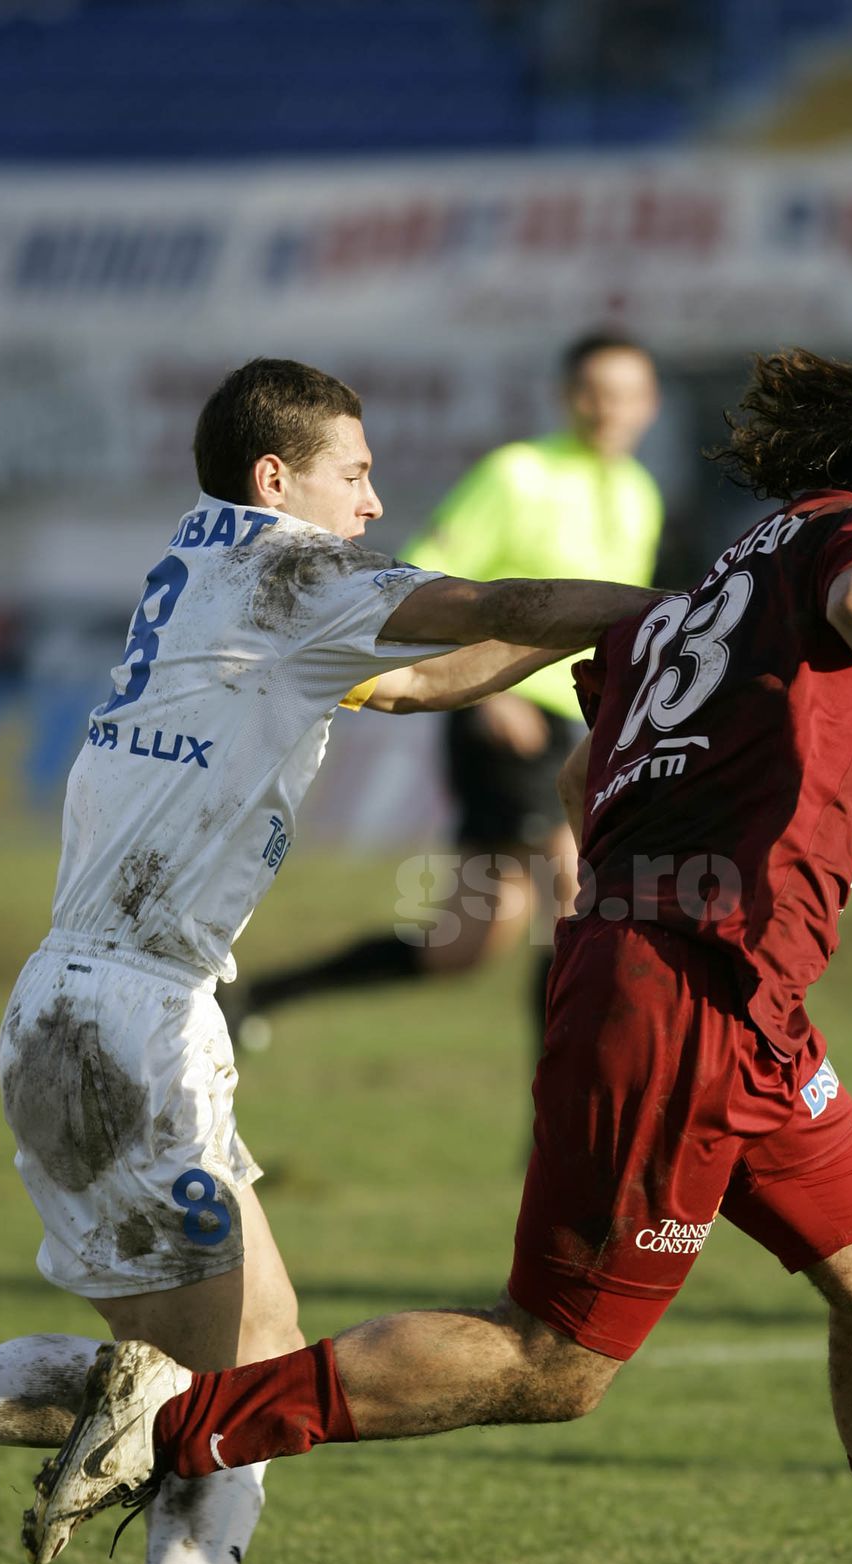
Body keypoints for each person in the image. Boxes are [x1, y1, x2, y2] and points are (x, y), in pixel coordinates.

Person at [23, 349, 852, 1564]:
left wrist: (608, 869)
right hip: (689, 994)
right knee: (555, 1362)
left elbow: (585, 746)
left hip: (719, 990)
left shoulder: (736, 564)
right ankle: (179, 1424)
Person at [0, 356, 659, 1564]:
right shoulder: (288, 570)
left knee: (256, 1366)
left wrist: (592, 643)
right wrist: (677, 614)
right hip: (130, 1028)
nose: (376, 497)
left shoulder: (221, 569)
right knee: (222, 1383)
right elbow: (498, 602)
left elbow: (418, 683)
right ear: (279, 480)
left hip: (108, 1006)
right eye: (356, 471)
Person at [225, 332, 662, 1059]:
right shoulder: (518, 474)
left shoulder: (640, 494)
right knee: (578, 896)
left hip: (582, 723)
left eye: (626, 395)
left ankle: (253, 999)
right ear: (567, 396)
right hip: (507, 721)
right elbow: (431, 578)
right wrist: (488, 696)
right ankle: (555, 1122)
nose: (609, 409)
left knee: (465, 943)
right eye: (594, 391)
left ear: (648, 405)